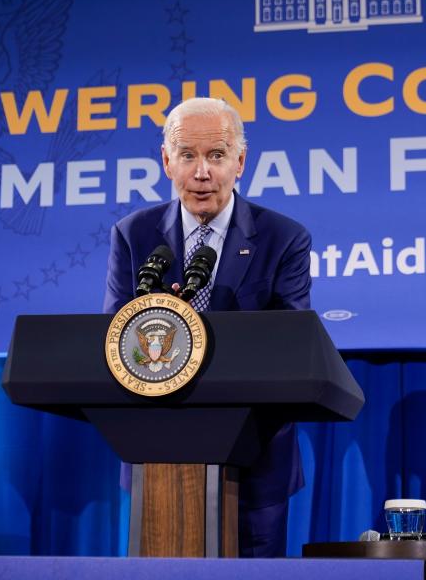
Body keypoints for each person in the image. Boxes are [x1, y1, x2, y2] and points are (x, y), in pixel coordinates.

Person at [103, 97, 311, 557]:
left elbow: (291, 345)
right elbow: (114, 337)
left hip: (254, 457)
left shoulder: (283, 238)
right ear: (166, 161)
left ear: (240, 162)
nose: (202, 173)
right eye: (188, 155)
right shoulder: (133, 235)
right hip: (158, 453)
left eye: (216, 156)